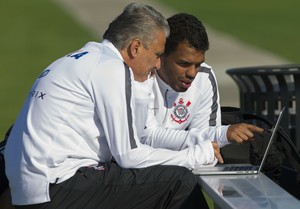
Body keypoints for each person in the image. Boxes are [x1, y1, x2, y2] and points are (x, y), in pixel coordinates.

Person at [4, 3, 217, 209]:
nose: (158, 64)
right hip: (55, 186)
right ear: (135, 47)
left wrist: (142, 85)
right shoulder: (112, 68)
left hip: (34, 185)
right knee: (179, 182)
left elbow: (137, 137)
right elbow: (129, 155)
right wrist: (195, 156)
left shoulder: (81, 58)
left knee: (153, 182)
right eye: (157, 55)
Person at [142, 13, 264, 154]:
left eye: (198, 64)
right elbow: (147, 138)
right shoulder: (141, 75)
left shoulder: (204, 76)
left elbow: (208, 145)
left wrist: (207, 144)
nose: (192, 73)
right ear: (161, 55)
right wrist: (221, 134)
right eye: (183, 63)